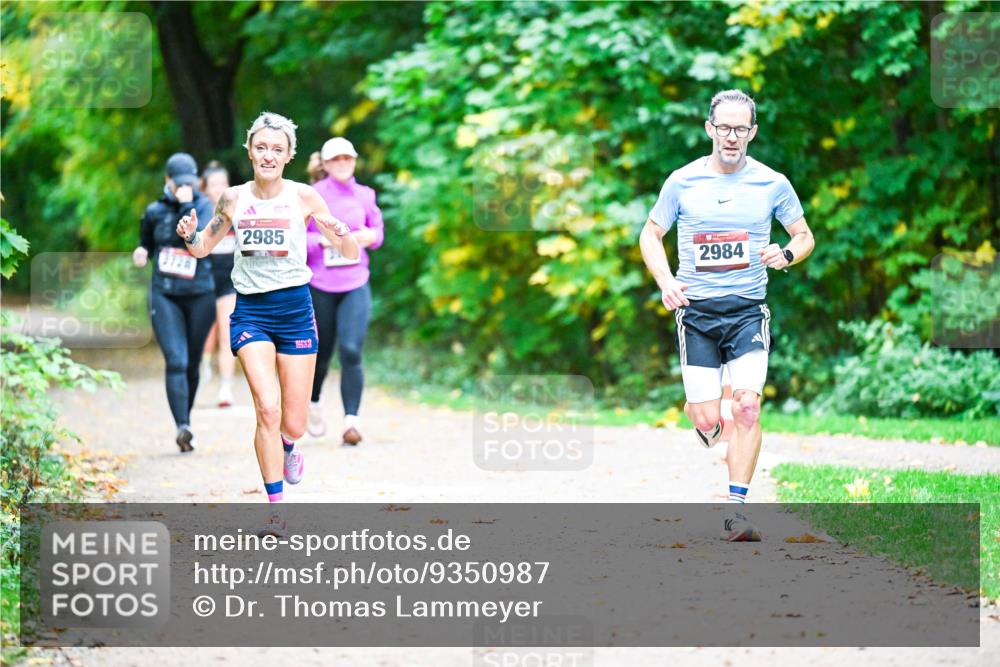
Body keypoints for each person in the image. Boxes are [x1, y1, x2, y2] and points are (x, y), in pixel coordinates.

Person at [638, 89, 815, 541]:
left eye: (741, 129)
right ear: (709, 129)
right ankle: (709, 422)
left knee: (748, 407)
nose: (732, 137)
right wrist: (666, 281)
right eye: (724, 128)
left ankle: (736, 509)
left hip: (747, 311)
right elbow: (650, 234)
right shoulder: (682, 181)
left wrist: (786, 254)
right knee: (705, 418)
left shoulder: (772, 183)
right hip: (696, 313)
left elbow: (804, 235)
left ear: (752, 132)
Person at [176, 112, 359, 535]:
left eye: (278, 149)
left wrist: (340, 230)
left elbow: (348, 251)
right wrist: (189, 235)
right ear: (250, 150)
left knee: (292, 423)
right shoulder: (233, 199)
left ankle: (290, 445)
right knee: (267, 408)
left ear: (290, 155)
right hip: (252, 313)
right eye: (261, 147)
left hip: (296, 312)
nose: (268, 155)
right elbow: (204, 247)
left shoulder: (305, 197)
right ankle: (276, 512)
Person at [132, 153, 217, 453]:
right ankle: (182, 425)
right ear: (167, 181)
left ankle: (187, 420)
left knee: (193, 363)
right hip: (165, 293)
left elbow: (198, 238)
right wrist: (142, 251)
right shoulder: (154, 210)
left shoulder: (205, 205)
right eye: (179, 184)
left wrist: (186, 205)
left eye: (189, 184)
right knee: (177, 361)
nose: (185, 188)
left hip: (200, 294)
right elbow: (145, 241)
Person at [305, 137, 384, 446]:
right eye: (335, 159)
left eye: (347, 159)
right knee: (321, 353)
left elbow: (377, 232)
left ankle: (352, 421)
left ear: (354, 161)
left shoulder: (365, 195)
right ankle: (313, 402)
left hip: (355, 282)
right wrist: (324, 242)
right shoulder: (312, 196)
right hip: (320, 285)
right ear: (324, 165)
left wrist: (366, 237)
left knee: (351, 349)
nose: (342, 164)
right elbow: (298, 239)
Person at [197, 162, 238, 407]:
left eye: (223, 184)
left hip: (229, 282)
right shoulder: (199, 214)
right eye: (214, 185)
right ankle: (204, 367)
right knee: (206, 335)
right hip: (203, 282)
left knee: (227, 331)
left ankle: (226, 388)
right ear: (205, 189)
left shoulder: (236, 213)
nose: (219, 189)